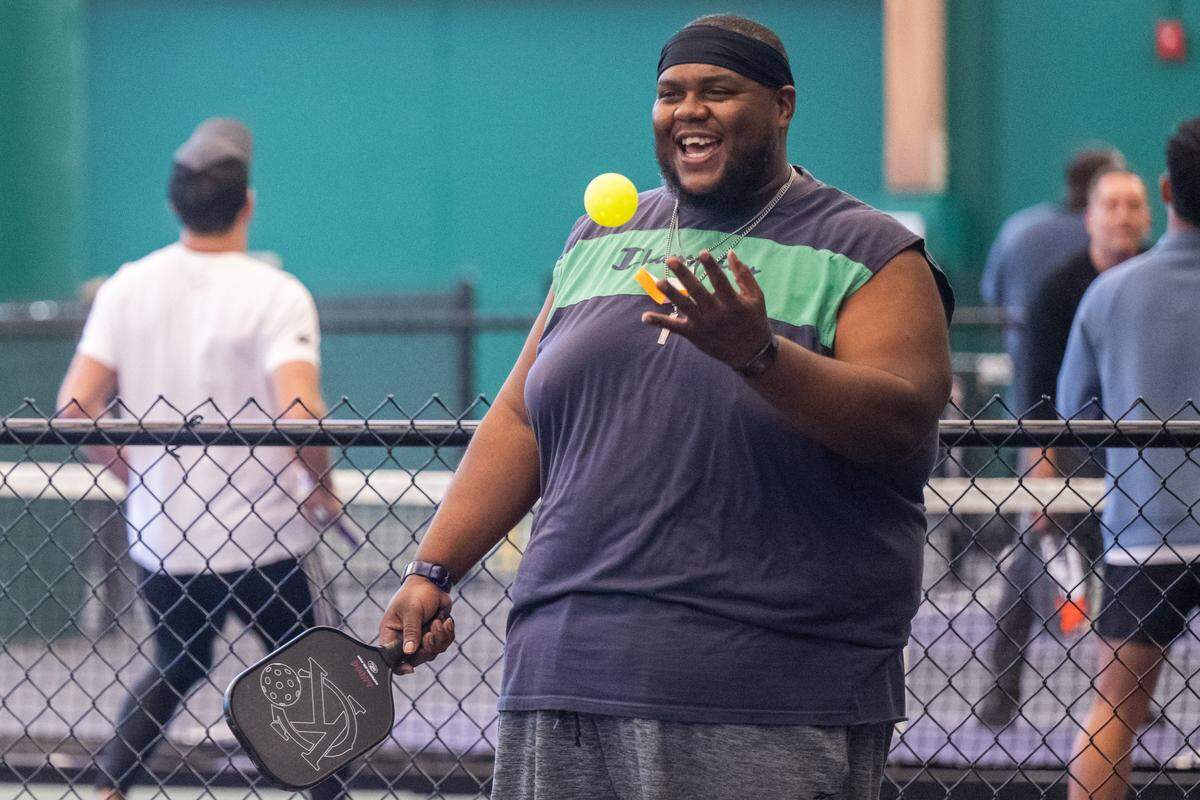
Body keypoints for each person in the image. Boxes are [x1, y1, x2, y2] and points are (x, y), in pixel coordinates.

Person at [378, 15, 953, 799]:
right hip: (565, 673)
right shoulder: (597, 240)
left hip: (766, 687)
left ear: (782, 106)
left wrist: (760, 356)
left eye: (719, 91)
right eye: (670, 93)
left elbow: (903, 420)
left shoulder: (869, 250)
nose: (690, 110)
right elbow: (520, 418)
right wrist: (433, 568)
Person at [56, 118, 344, 800]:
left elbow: (75, 406)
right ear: (248, 204)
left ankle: (109, 791)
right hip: (266, 537)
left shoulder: (126, 287)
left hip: (164, 537)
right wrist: (321, 487)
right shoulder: (276, 293)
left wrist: (132, 470)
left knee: (177, 663)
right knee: (303, 679)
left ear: (173, 205)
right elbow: (301, 413)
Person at [1058, 117, 1200, 800]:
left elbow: (1070, 413)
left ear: (1167, 189)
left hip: (1146, 537)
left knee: (1115, 708)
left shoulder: (1109, 293)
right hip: (1145, 534)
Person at [978, 170, 1151, 727]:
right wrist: (1043, 467)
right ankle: (999, 698)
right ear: (1091, 217)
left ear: (1148, 216)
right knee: (1033, 566)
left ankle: (1133, 702)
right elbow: (1034, 384)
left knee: (1143, 581)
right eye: (1112, 205)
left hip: (1149, 459)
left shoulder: (1157, 280)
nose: (1123, 215)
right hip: (1071, 452)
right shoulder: (1057, 289)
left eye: (1133, 205)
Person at [980, 147, 1125, 392]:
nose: (1123, 215)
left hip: (1024, 377)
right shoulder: (1111, 241)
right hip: (1097, 392)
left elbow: (992, 295)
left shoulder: (1017, 230)